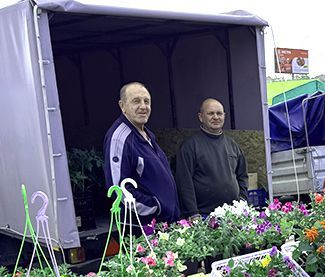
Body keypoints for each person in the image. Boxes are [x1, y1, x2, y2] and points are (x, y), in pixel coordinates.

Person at [103, 82, 180, 222]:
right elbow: (118, 188)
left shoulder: (148, 135)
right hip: (144, 227)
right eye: (136, 101)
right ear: (122, 106)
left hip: (164, 222)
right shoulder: (119, 138)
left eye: (147, 101)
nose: (143, 107)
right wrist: (156, 207)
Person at [176, 98, 248, 218]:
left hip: (233, 215)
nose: (216, 117)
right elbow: (184, 182)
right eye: (210, 113)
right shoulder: (190, 146)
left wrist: (242, 202)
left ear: (224, 116)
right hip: (204, 216)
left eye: (219, 113)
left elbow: (243, 176)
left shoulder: (233, 145)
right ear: (201, 117)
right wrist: (193, 213)